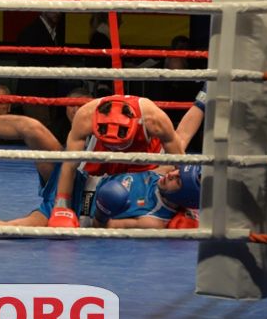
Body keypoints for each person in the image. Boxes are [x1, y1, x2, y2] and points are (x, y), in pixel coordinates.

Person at [0, 87, 200, 229]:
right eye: (177, 171)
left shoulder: (153, 220)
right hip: (74, 179)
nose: (173, 174)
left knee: (14, 231)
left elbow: (107, 228)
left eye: (177, 179)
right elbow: (71, 159)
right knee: (32, 128)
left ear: (183, 195)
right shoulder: (164, 170)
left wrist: (98, 210)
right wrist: (208, 95)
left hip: (79, 213)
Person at [48, 93, 184, 227]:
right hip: (102, 154)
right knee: (92, 190)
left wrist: (189, 209)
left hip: (140, 154)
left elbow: (181, 166)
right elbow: (69, 164)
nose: (116, 149)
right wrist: (62, 206)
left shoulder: (154, 120)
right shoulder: (86, 116)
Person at [15, 11, 73, 140]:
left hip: (49, 91)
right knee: (40, 132)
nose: (57, 13)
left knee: (47, 131)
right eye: (53, 8)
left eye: (59, 9)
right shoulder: (31, 31)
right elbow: (26, 64)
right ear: (43, 9)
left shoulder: (55, 31)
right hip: (34, 93)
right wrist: (56, 69)